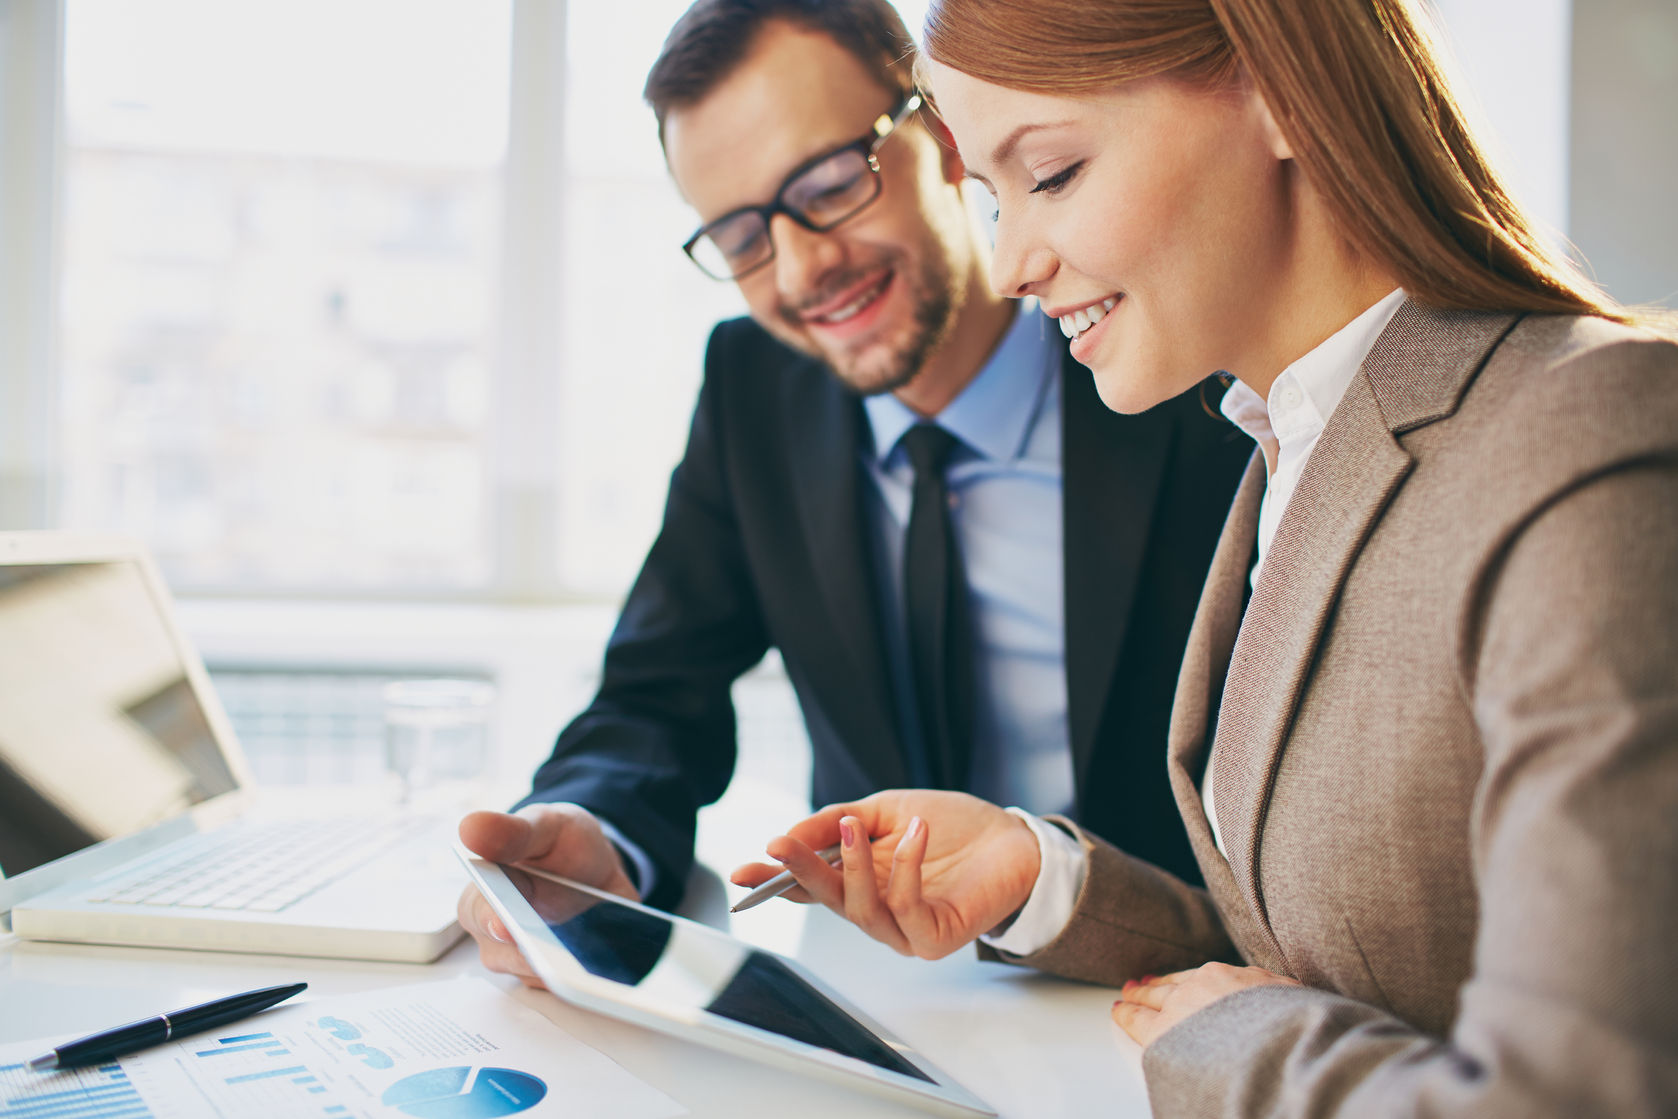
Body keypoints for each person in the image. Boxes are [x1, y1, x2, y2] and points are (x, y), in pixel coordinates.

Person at [733, 0, 1678, 1114]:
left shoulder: (1586, 426)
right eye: (989, 200)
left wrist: (1238, 1046)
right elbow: (1340, 948)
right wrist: (1040, 880)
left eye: (1051, 173)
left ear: (1277, 96)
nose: (1007, 267)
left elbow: (1580, 1094)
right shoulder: (1287, 449)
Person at [455, 0, 1249, 986]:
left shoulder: (1168, 352)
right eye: (740, 238)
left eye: (830, 185)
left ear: (947, 135)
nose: (801, 268)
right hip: (889, 999)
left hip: (1175, 982)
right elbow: (658, 692)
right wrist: (597, 832)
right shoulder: (755, 385)